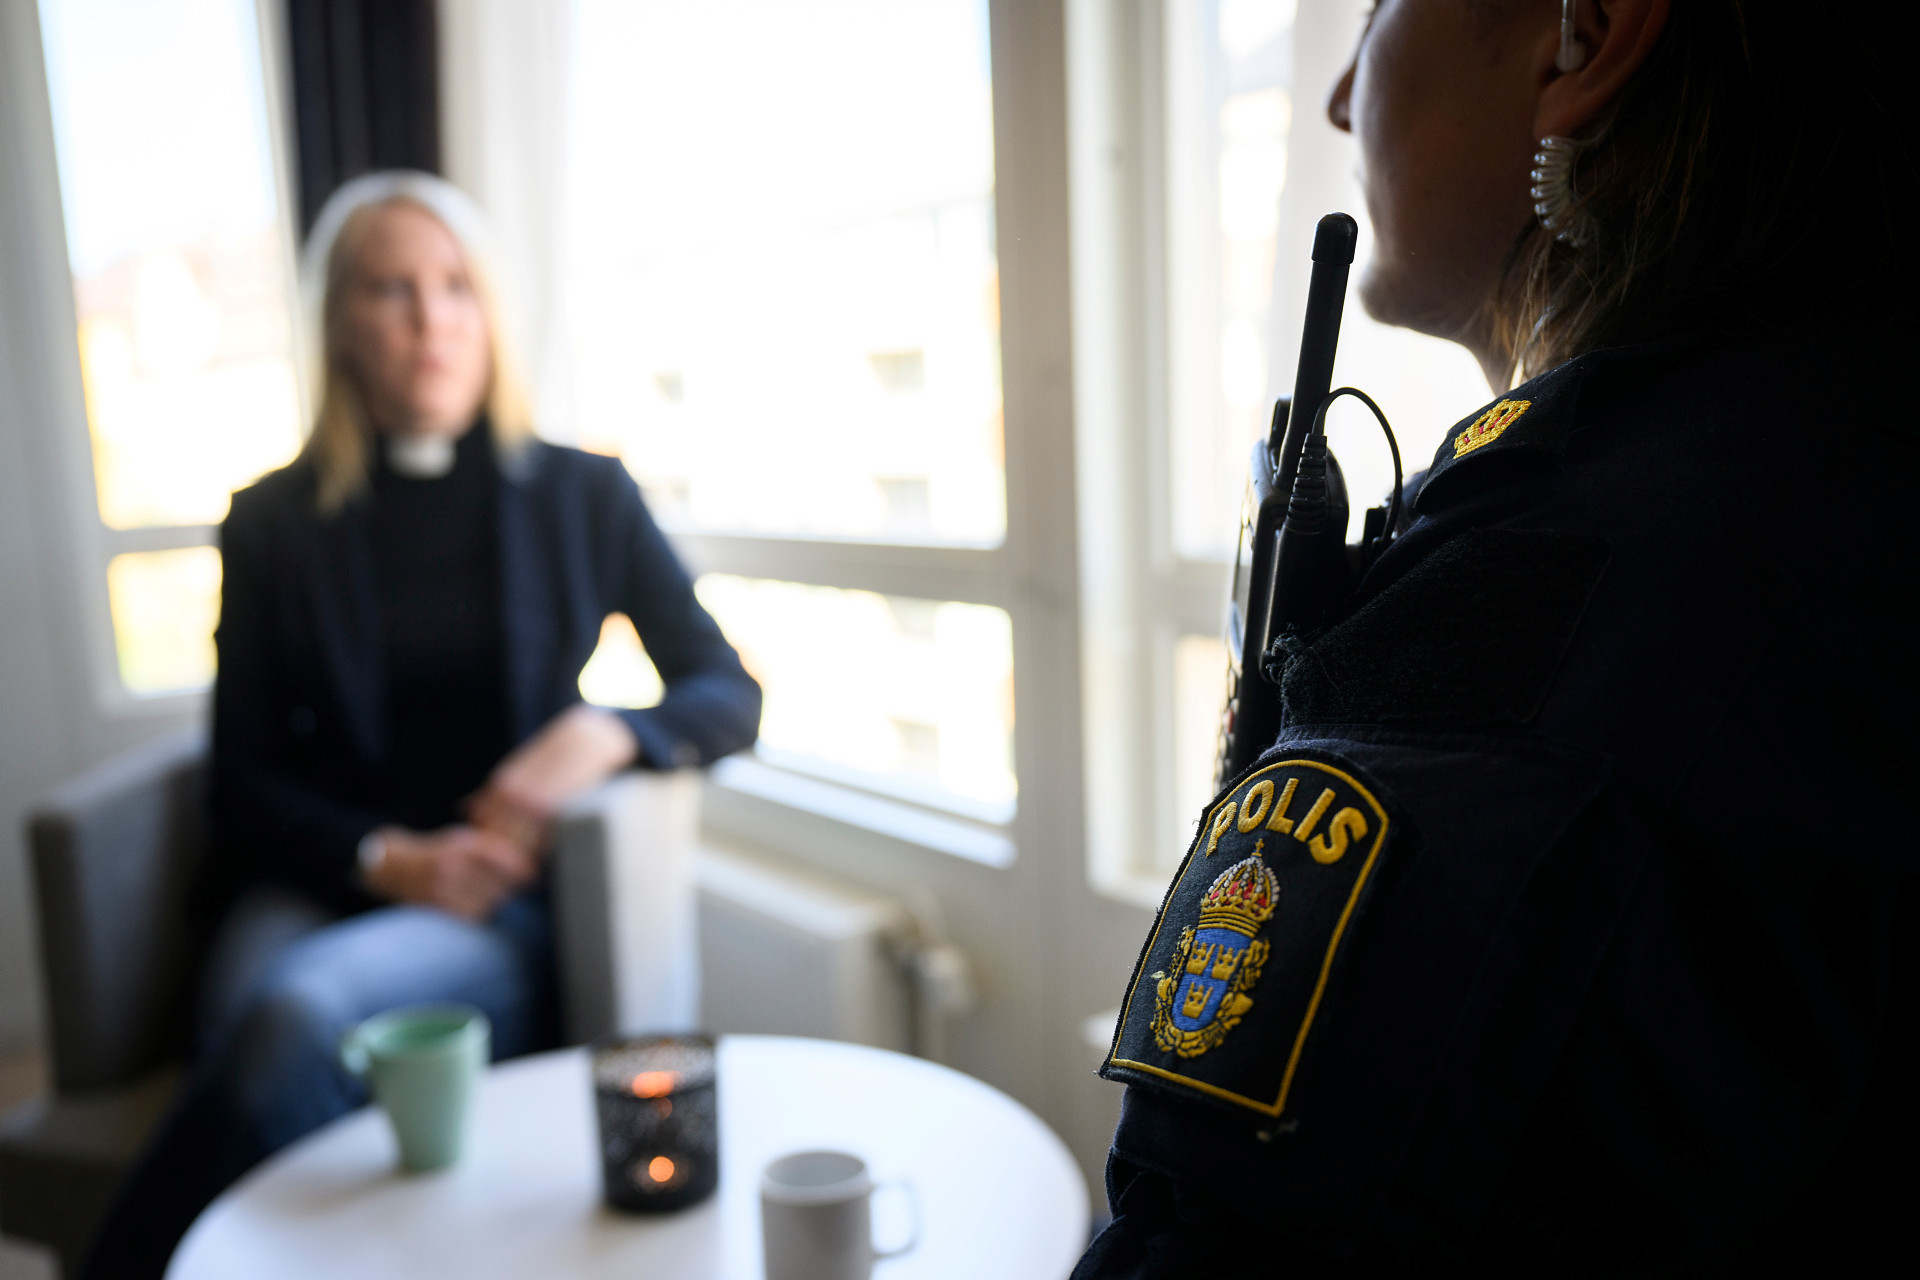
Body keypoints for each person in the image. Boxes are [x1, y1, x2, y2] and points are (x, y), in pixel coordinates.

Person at [1079, 1, 1918, 1275]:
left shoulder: (1538, 611)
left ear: (1584, 39)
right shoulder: (1836, 457)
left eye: (1378, 9)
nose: (1340, 98)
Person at [81, 172, 761, 1279]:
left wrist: (609, 731)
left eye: (456, 287)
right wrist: (388, 857)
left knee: (292, 1021)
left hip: (492, 898)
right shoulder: (270, 522)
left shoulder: (585, 494)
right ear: (341, 326)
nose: (431, 319)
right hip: (320, 871)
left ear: (491, 313)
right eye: (390, 290)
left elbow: (727, 691)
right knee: (245, 1016)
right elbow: (240, 778)